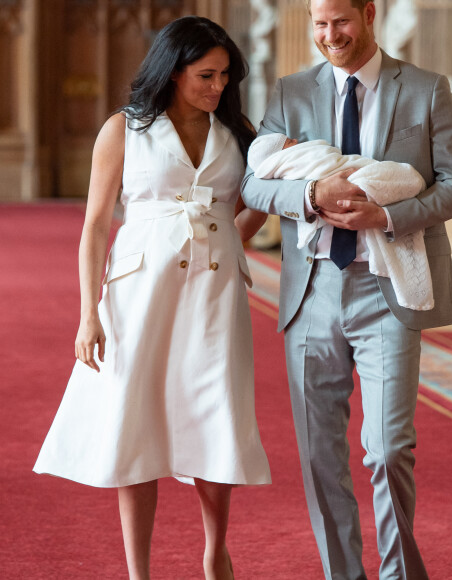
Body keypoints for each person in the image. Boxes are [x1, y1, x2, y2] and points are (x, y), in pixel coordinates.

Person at [241, 0, 452, 578]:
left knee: (389, 446)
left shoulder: (425, 88)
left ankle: (400, 573)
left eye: (341, 22)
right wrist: (307, 196)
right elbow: (253, 184)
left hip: (387, 290)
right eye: (318, 25)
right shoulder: (290, 91)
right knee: (321, 455)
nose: (330, 36)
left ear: (368, 13)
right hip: (311, 290)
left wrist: (389, 216)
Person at [34, 16, 270, 580]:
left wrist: (231, 238)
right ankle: (139, 572)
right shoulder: (124, 129)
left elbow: (263, 196)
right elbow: (94, 226)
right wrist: (87, 314)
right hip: (139, 292)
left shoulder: (237, 127)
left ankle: (216, 552)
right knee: (135, 420)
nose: (216, 87)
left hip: (215, 292)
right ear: (172, 70)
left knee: (218, 412)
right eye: (205, 75)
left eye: (224, 76)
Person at [247, 132, 433, 310]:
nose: (296, 140)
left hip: (377, 282)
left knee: (403, 179)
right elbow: (251, 188)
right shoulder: (292, 147)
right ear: (279, 157)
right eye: (289, 142)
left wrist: (383, 217)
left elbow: (329, 157)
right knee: (402, 179)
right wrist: (314, 193)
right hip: (315, 272)